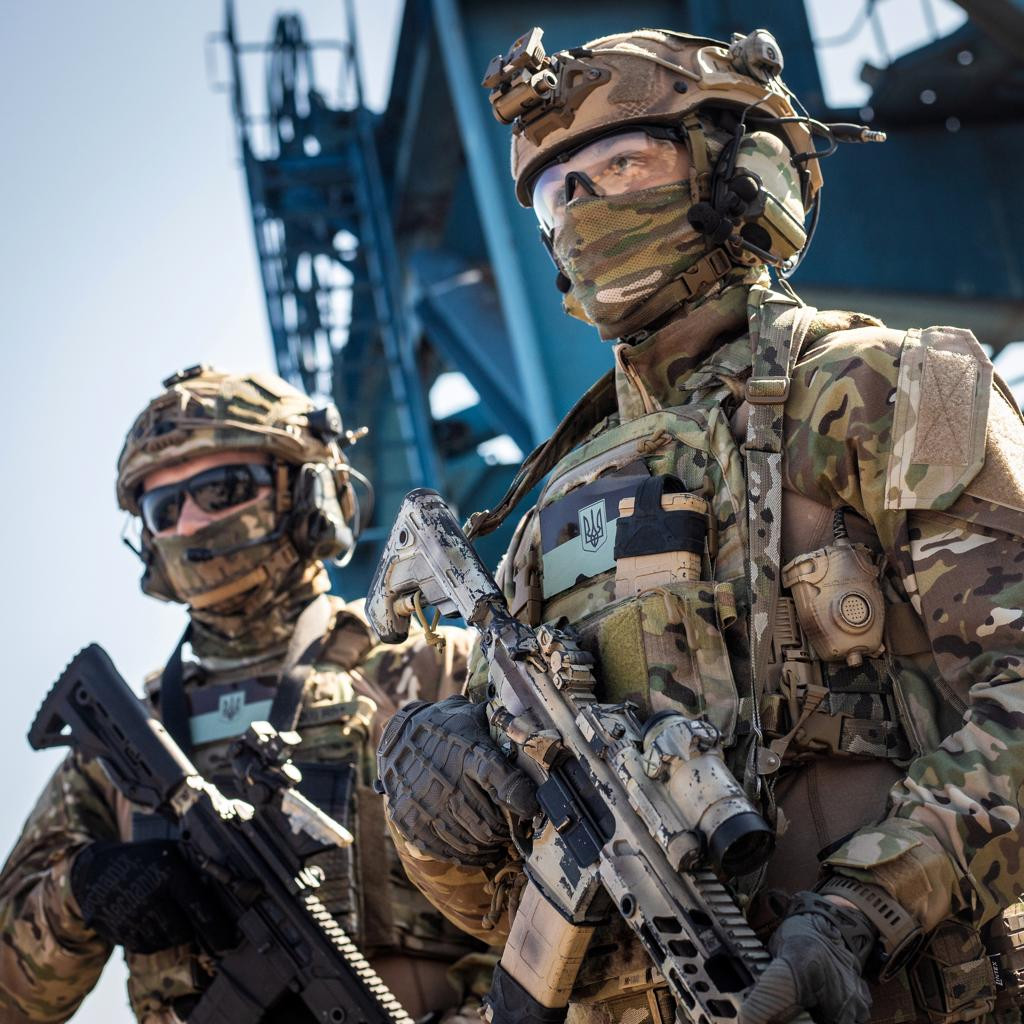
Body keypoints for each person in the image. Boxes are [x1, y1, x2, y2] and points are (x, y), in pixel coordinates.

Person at [375, 26, 1024, 1024]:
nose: (584, 211)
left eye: (622, 164)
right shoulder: (549, 514)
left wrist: (865, 911)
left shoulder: (884, 388)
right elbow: (513, 913)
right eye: (559, 194)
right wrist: (437, 818)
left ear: (738, 171)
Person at [0, 366, 486, 1023]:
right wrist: (78, 892)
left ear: (307, 492)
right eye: (163, 509)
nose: (189, 524)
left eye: (220, 490)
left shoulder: (435, 673)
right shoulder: (123, 744)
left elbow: (572, 904)